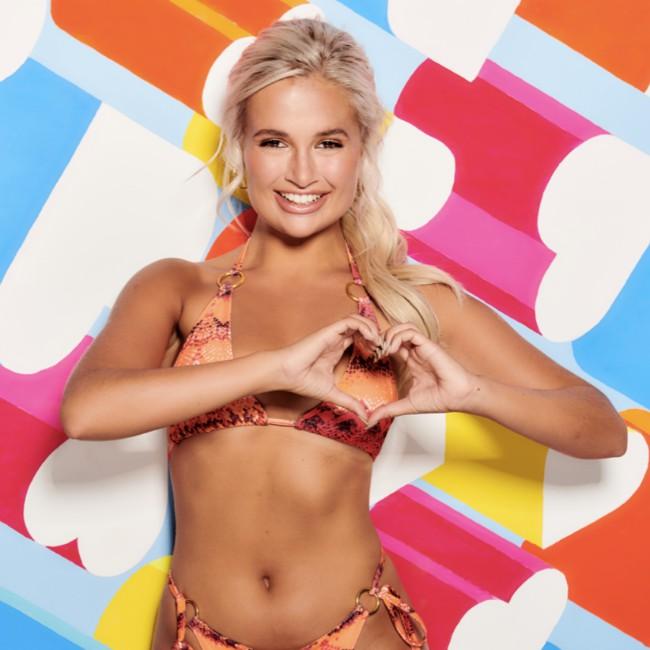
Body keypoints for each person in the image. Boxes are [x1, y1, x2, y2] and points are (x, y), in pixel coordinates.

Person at [59, 17, 628, 650]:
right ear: (241, 147)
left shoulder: (403, 301)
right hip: (199, 631)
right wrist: (273, 368)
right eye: (275, 142)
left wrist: (474, 394)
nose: (303, 172)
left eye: (328, 143)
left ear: (362, 148)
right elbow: (86, 412)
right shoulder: (178, 288)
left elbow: (603, 431)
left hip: (360, 630)